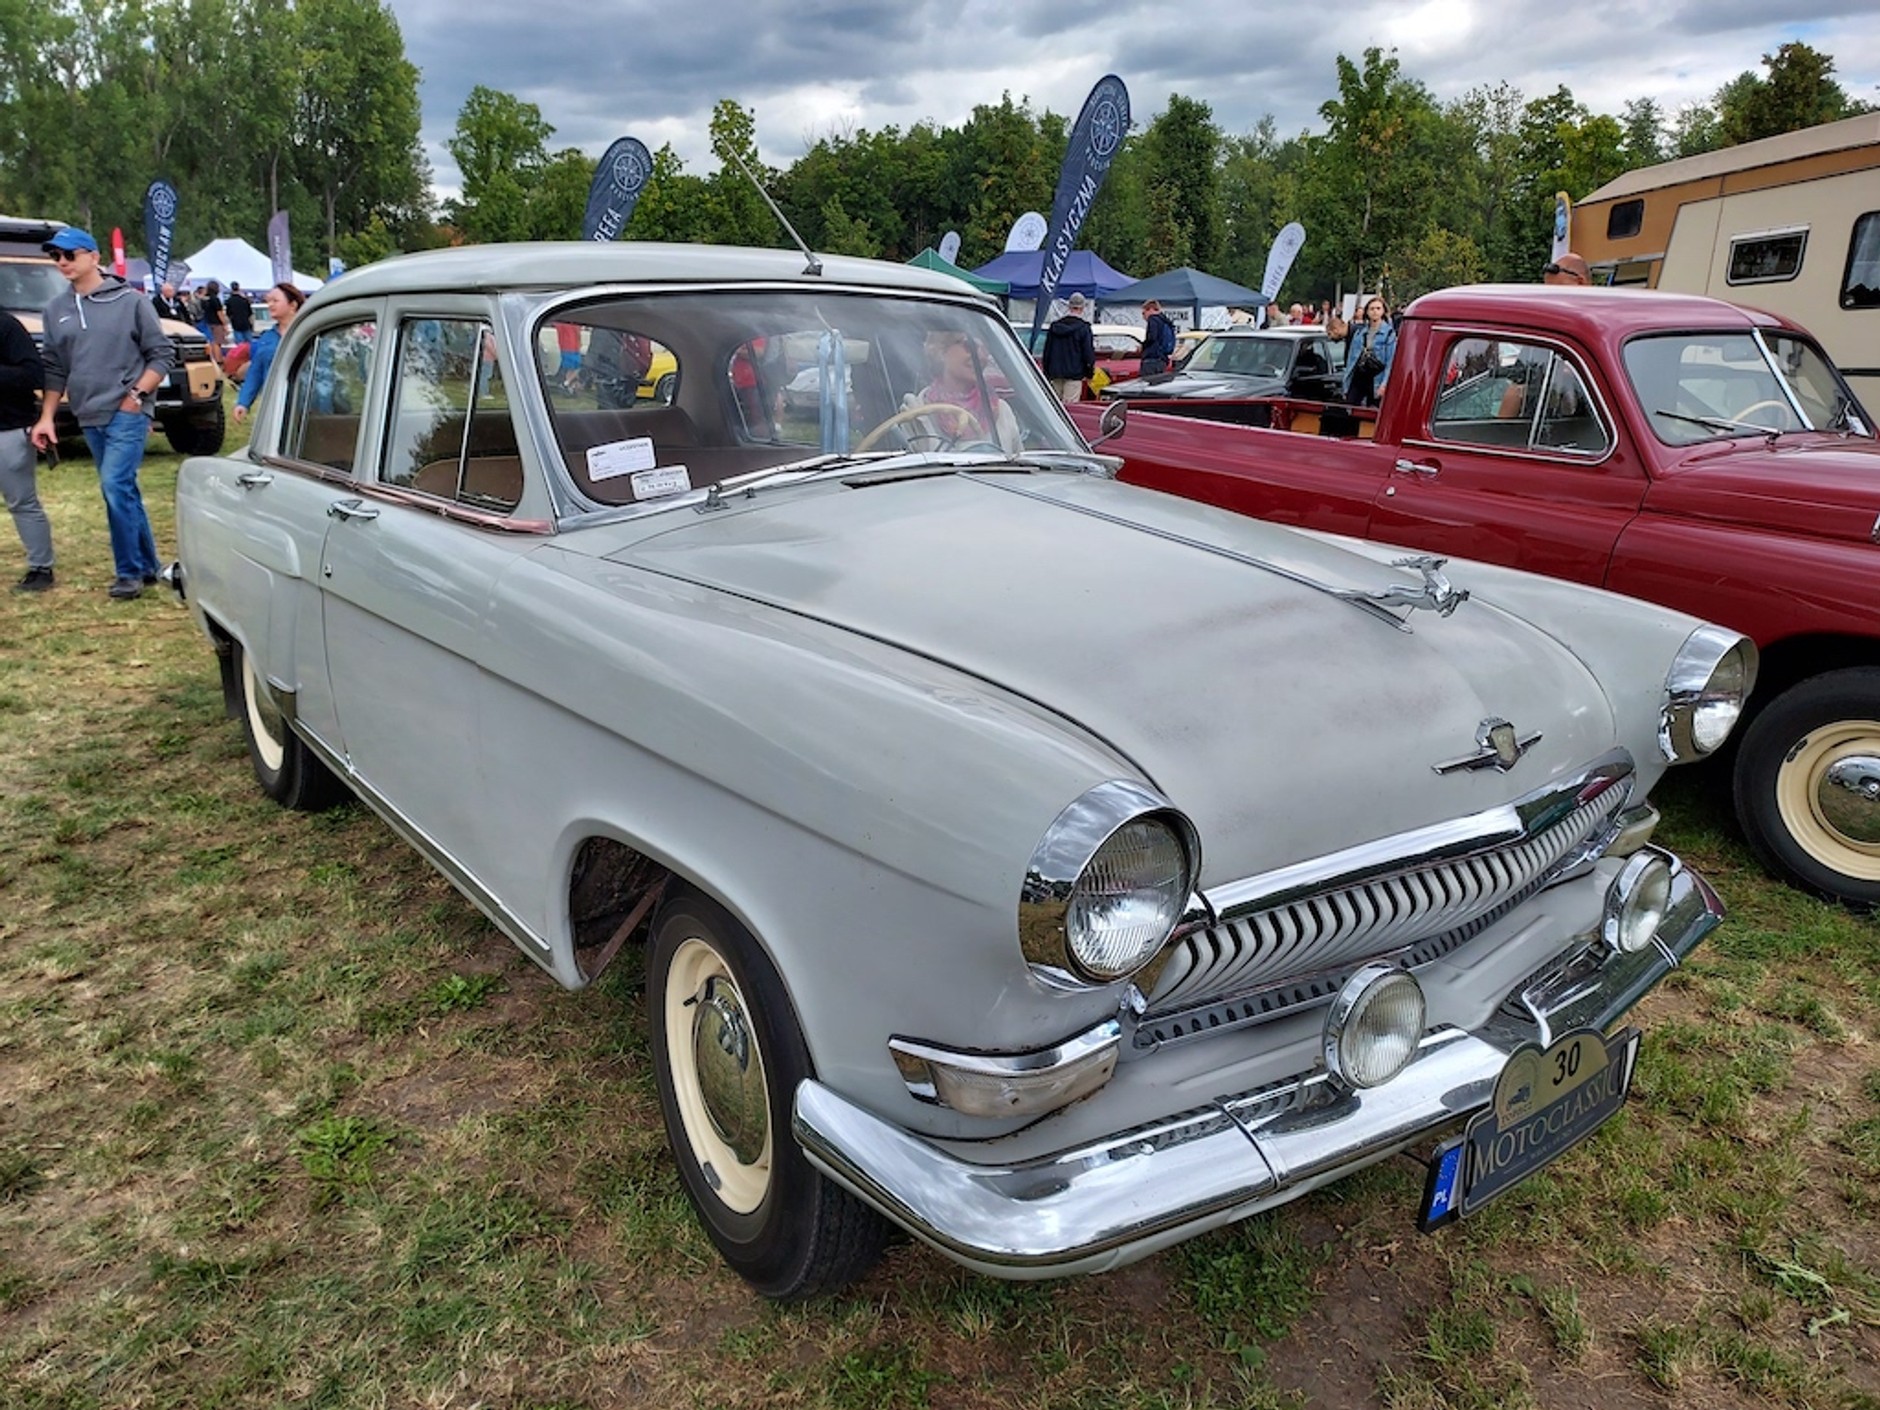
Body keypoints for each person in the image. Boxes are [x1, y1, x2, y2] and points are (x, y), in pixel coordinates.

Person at [29, 227, 173, 600]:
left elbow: (162, 354)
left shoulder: (131, 301)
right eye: (55, 257)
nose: (62, 262)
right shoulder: (55, 310)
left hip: (129, 409)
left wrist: (137, 394)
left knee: (113, 485)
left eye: (69, 254)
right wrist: (46, 416)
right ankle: (148, 566)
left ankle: (128, 574)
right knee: (123, 489)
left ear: (94, 257)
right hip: (88, 412)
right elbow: (55, 368)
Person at [0, 305, 52, 592]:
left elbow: (33, 375)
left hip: (7, 427)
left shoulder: (6, 326)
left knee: (21, 500)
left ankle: (41, 567)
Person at [909, 329, 1021, 452]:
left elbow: (1019, 466)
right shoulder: (916, 413)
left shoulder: (1002, 411)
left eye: (985, 348)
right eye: (970, 345)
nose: (981, 356)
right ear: (941, 351)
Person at [232, 282, 306, 423]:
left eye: (275, 301)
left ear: (293, 305)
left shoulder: (309, 332)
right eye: (268, 301)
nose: (270, 305)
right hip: (276, 405)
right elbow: (256, 371)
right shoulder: (266, 338)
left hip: (307, 405)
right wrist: (243, 402)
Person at [1040, 293, 1096, 402]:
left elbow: (1047, 352)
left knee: (1054, 405)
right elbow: (1088, 353)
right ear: (1082, 307)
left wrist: (1046, 372)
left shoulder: (1054, 326)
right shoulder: (1084, 328)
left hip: (1055, 373)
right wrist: (1089, 373)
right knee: (1070, 408)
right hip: (1074, 374)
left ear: (1069, 306)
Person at [1342, 295, 1396, 407]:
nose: (1375, 312)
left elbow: (1390, 362)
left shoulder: (1389, 334)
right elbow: (1351, 359)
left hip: (1376, 376)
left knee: (1373, 411)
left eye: (1378, 308)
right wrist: (1346, 384)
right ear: (1367, 311)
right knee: (1350, 407)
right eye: (1372, 309)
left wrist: (1384, 385)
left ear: (1383, 311)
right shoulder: (1360, 332)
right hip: (1360, 374)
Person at [1140, 299, 1176, 376]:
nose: (1143, 317)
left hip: (1152, 358)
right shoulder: (1166, 322)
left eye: (1143, 313)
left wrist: (1143, 346)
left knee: (1146, 383)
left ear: (1150, 309)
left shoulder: (1153, 319)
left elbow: (1151, 337)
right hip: (1163, 359)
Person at [195, 279, 227, 363]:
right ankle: (218, 359)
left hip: (208, 322)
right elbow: (219, 313)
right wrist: (225, 323)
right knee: (217, 342)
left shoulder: (205, 300)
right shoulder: (215, 299)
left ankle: (213, 359)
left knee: (212, 342)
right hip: (217, 323)